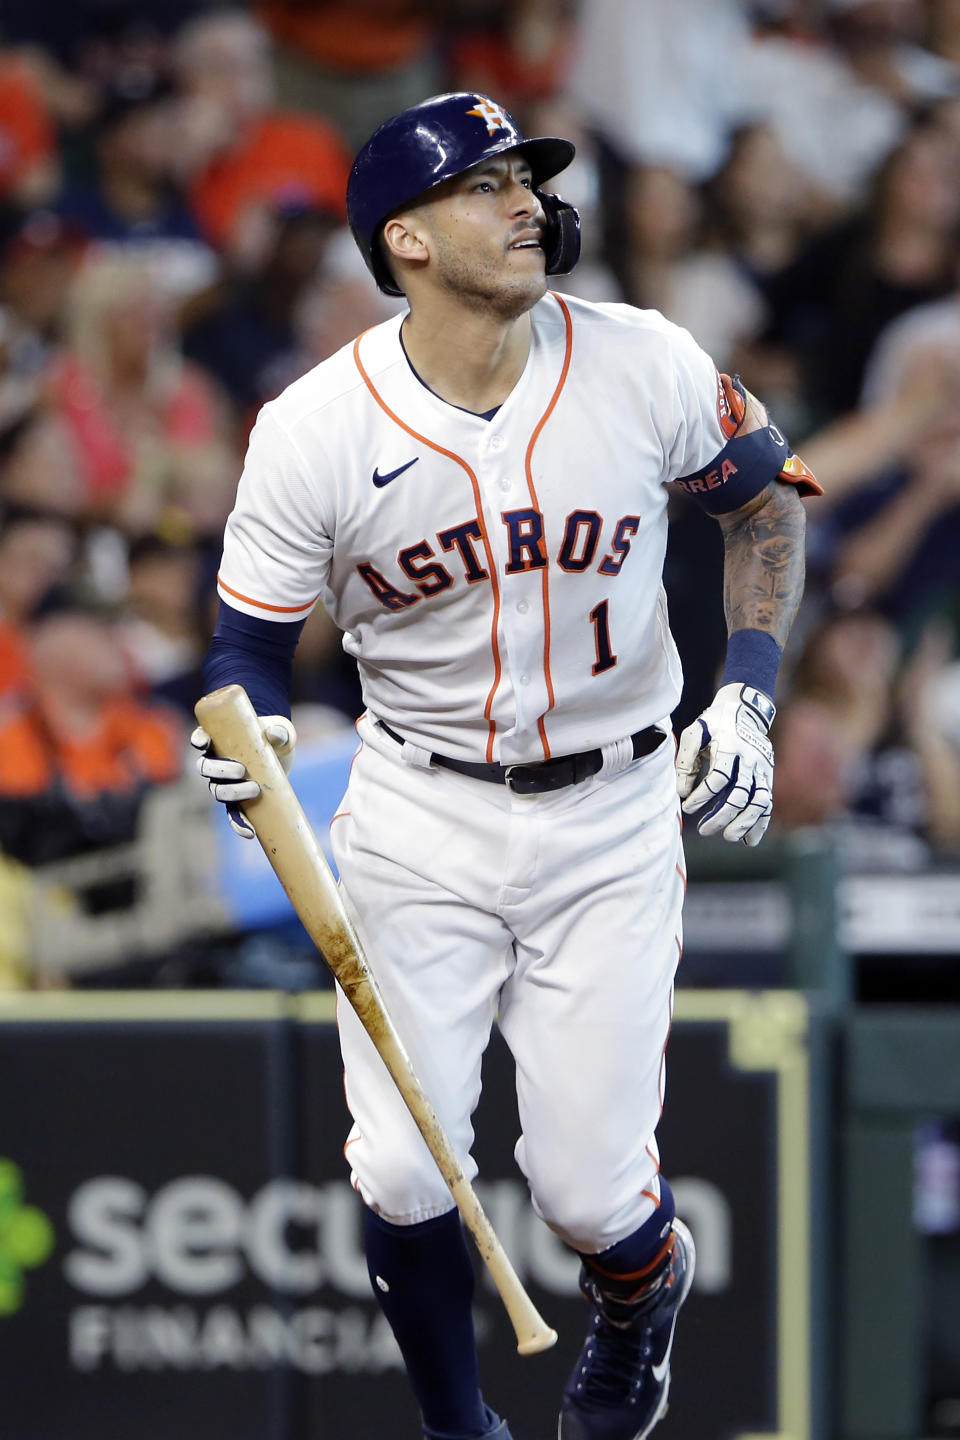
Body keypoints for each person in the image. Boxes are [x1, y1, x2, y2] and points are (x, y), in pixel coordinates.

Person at [192, 93, 820, 1440]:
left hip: (613, 805)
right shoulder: (312, 427)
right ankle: (458, 1426)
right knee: (403, 1169)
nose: (524, 199)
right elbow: (243, 651)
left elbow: (762, 503)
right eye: (483, 186)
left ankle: (641, 1298)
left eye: (526, 177)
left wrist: (751, 698)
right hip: (419, 809)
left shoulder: (639, 358)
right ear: (404, 239)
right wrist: (247, 737)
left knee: (591, 1194)